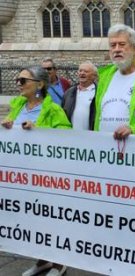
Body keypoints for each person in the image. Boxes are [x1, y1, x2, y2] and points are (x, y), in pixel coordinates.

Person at [1, 66, 71, 276]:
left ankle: (59, 264)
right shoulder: (17, 106)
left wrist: (40, 131)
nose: (19, 84)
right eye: (18, 80)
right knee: (33, 221)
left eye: (23, 80)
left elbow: (67, 136)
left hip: (47, 176)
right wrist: (7, 126)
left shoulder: (53, 110)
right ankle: (42, 261)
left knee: (51, 220)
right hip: (23, 176)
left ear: (40, 84)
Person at [61, 61, 97, 130]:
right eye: (80, 71)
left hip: (91, 136)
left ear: (94, 76)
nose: (82, 73)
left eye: (86, 71)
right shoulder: (69, 92)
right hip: (71, 136)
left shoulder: (98, 93)